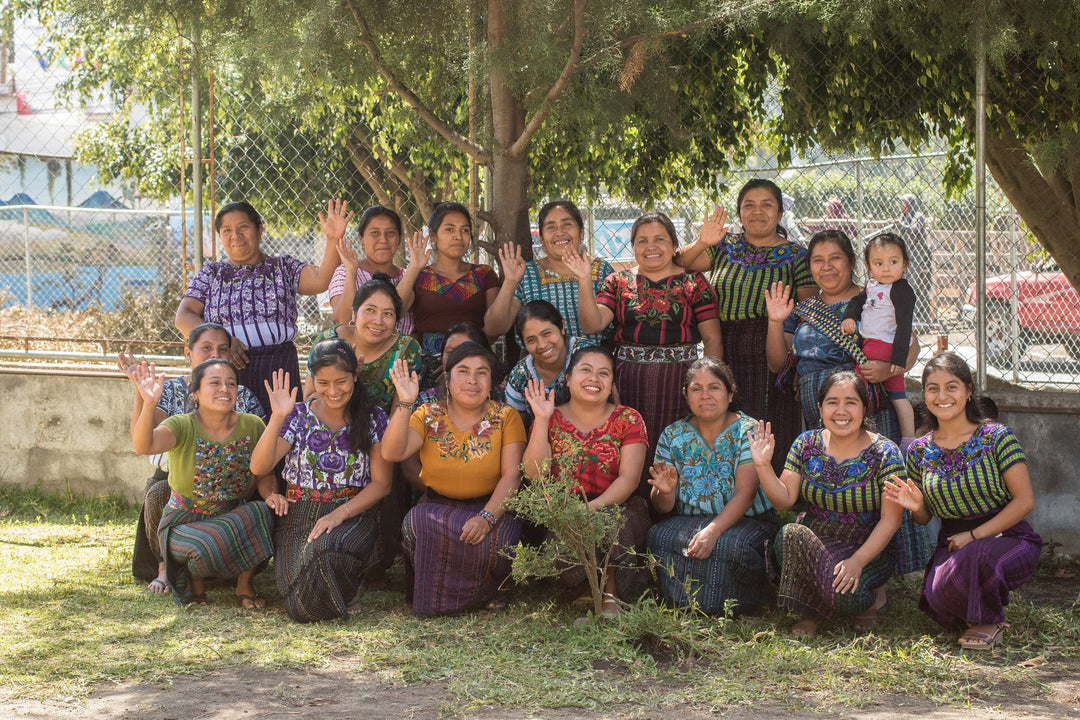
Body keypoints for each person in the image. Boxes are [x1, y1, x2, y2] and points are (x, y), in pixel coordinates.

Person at [749, 371, 928, 638]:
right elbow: (783, 499)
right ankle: (810, 614)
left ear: (864, 407)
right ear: (820, 408)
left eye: (851, 402)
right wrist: (763, 465)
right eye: (832, 402)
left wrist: (857, 562)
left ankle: (867, 600)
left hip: (867, 549)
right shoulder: (806, 444)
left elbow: (890, 521)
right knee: (790, 535)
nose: (841, 411)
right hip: (816, 540)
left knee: (846, 598)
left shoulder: (885, 453)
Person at [885, 352, 1041, 651]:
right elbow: (924, 519)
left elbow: (1025, 501)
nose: (942, 396)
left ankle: (990, 621)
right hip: (953, 542)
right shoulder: (918, 451)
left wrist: (974, 536)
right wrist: (917, 505)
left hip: (1009, 538)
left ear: (969, 391)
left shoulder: (997, 437)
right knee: (935, 594)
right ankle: (973, 604)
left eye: (952, 387)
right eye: (933, 388)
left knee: (980, 556)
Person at [571, 211, 721, 483]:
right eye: (642, 241)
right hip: (629, 380)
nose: (651, 247)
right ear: (634, 247)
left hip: (681, 380)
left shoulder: (693, 282)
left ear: (674, 245)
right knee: (630, 443)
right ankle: (633, 505)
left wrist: (707, 384)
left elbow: (711, 338)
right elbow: (592, 324)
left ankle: (674, 509)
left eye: (660, 239)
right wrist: (584, 281)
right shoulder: (617, 282)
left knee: (679, 444)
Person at [678, 179, 816, 474]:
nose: (757, 211)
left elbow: (809, 311)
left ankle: (777, 501)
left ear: (780, 214)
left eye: (767, 205)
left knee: (772, 423)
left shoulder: (797, 256)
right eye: (749, 205)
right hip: (723, 345)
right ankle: (731, 497)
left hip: (773, 346)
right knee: (727, 421)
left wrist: (800, 363)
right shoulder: (725, 247)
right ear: (739, 214)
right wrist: (703, 241)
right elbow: (681, 263)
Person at [250, 342, 391, 622]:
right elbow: (259, 466)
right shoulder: (297, 414)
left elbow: (382, 484)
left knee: (323, 550)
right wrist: (278, 416)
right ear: (312, 379)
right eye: (323, 382)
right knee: (297, 597)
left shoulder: (374, 417)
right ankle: (338, 591)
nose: (334, 390)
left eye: (341, 381)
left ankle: (346, 585)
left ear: (355, 374)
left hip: (353, 514)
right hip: (299, 515)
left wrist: (339, 514)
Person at [119, 323, 264, 595]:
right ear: (188, 353)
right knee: (161, 489)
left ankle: (228, 569)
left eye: (222, 349)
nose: (214, 354)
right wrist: (143, 395)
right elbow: (144, 439)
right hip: (178, 483)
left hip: (232, 484)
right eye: (206, 348)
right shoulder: (171, 390)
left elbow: (263, 450)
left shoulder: (241, 395)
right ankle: (165, 567)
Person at [382, 342, 526, 616]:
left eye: (481, 373)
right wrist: (405, 402)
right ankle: (451, 596)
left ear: (491, 380)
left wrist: (486, 518)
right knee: (418, 524)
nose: (472, 380)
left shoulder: (506, 416)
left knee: (498, 544)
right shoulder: (427, 414)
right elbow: (392, 452)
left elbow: (512, 475)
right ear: (447, 379)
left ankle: (487, 592)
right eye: (463, 371)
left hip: (491, 507)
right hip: (437, 507)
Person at [174, 199, 343, 414]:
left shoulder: (283, 267)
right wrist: (225, 340)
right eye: (227, 230)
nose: (235, 235)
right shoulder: (211, 273)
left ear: (259, 230)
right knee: (234, 436)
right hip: (228, 369)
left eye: (243, 227)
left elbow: (320, 279)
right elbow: (183, 316)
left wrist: (333, 239)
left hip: (278, 368)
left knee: (280, 435)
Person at [521, 345, 650, 614]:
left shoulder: (628, 418)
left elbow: (629, 478)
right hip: (565, 506)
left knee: (615, 522)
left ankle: (611, 595)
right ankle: (585, 591)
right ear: (568, 378)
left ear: (612, 383)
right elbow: (534, 474)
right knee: (567, 531)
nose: (594, 378)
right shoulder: (551, 417)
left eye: (604, 373)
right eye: (586, 370)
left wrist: (589, 509)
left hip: (618, 503)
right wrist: (542, 420)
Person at [646, 358, 776, 615]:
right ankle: (688, 604)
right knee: (659, 536)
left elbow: (746, 494)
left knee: (728, 546)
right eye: (696, 389)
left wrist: (712, 532)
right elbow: (663, 506)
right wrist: (665, 490)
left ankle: (738, 604)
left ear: (730, 393)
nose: (705, 395)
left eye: (714, 387)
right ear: (685, 394)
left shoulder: (748, 430)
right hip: (688, 519)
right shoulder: (672, 435)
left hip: (746, 520)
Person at [763, 230, 918, 443]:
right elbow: (776, 364)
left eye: (835, 258)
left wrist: (887, 370)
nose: (826, 266)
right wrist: (775, 321)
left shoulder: (876, 299)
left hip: (869, 416)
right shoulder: (803, 310)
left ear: (852, 263)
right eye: (818, 260)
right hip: (819, 420)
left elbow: (911, 345)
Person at [483, 200, 615, 348]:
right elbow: (494, 328)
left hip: (591, 364)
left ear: (582, 232)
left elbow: (596, 326)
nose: (559, 232)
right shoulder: (526, 273)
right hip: (540, 364)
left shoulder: (602, 270)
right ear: (541, 239)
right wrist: (510, 282)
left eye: (567, 224)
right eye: (551, 227)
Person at [410, 202, 501, 390]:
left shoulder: (484, 274)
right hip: (430, 365)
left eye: (465, 230)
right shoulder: (418, 275)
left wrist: (462, 358)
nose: (458, 236)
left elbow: (494, 328)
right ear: (433, 236)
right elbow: (398, 312)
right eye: (449, 229)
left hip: (476, 361)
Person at [841, 232, 917, 442]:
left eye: (893, 262)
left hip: (887, 350)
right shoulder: (872, 287)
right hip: (868, 347)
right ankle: (863, 435)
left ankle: (908, 440)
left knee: (894, 396)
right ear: (868, 265)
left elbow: (904, 326)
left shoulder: (902, 290)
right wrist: (849, 318)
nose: (886, 268)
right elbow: (856, 303)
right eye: (878, 263)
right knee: (875, 395)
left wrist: (898, 360)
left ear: (905, 263)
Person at [307, 274, 421, 413]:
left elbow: (401, 411)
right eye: (370, 310)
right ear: (354, 314)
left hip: (384, 430)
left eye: (388, 314)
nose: (378, 321)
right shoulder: (327, 342)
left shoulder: (406, 349)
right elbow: (309, 400)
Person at [326, 204, 426, 335]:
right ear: (361, 239)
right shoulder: (345, 272)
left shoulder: (410, 275)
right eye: (374, 233)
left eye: (390, 233)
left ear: (399, 238)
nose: (383, 240)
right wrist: (352, 272)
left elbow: (396, 312)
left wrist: (413, 269)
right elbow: (343, 320)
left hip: (403, 354)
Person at [503, 300, 589, 430]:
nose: (542, 345)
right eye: (531, 340)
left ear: (562, 327)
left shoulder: (587, 356)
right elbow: (516, 431)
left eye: (547, 333)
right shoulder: (520, 377)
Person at [896, 193, 932, 322]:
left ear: (909, 205)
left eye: (903, 203)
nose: (901, 206)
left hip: (916, 256)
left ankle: (915, 314)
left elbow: (913, 230)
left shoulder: (918, 216)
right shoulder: (902, 218)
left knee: (912, 284)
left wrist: (899, 225)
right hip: (904, 256)